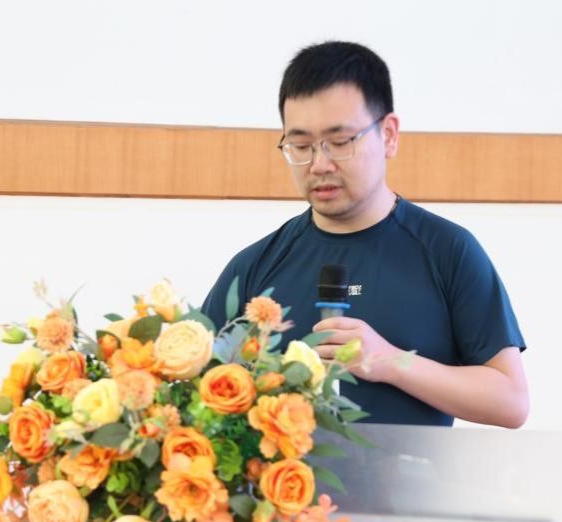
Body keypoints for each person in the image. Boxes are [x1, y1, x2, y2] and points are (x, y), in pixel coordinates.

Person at [200, 41, 528, 428]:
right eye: (300, 145)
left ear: (388, 135)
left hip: (415, 470)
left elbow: (510, 401)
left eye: (340, 142)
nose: (319, 164)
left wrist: (390, 362)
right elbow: (197, 398)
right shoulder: (254, 266)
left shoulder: (448, 251)